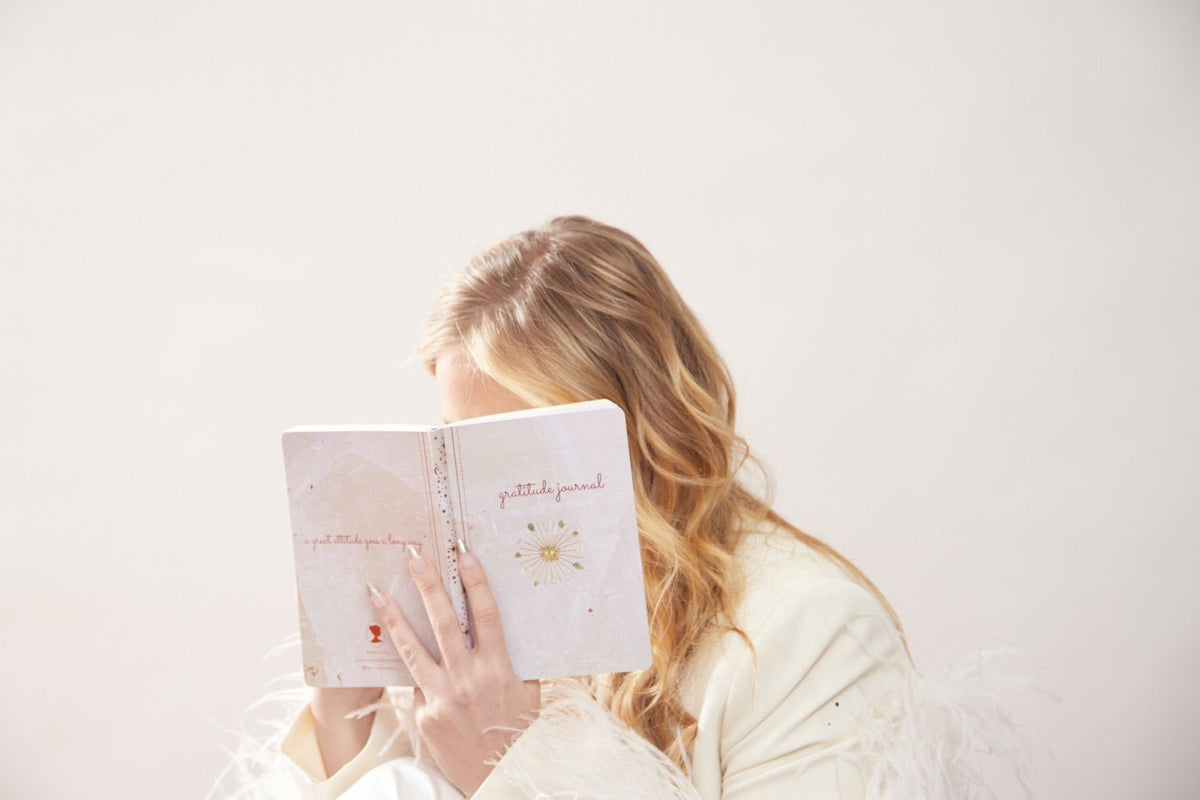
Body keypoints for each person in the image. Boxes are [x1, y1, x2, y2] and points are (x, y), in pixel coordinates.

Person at [247, 216, 1017, 799]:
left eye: (521, 455)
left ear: (648, 427)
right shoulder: (485, 630)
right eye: (459, 451)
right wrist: (343, 710)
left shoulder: (810, 632)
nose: (484, 508)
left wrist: (509, 765)